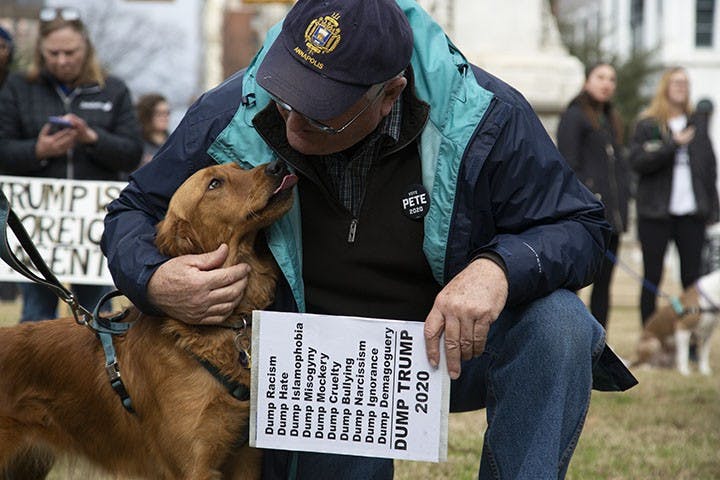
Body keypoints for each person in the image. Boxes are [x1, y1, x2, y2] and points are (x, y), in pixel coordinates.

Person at [102, 0, 636, 478]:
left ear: (390, 95)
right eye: (288, 99)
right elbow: (133, 211)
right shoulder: (234, 109)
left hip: (446, 343)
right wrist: (154, 279)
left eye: (322, 115)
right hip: (321, 366)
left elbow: (582, 226)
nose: (291, 128)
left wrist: (497, 268)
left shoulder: (488, 116)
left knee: (560, 323)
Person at [0, 7, 143, 321]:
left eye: (70, 52)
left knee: (97, 316)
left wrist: (93, 138)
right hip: (36, 227)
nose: (62, 60)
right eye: (53, 53)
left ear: (86, 49)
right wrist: (38, 150)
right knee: (36, 316)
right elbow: (4, 149)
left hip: (91, 229)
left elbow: (132, 152)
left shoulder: (113, 89)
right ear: (40, 51)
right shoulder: (18, 88)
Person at [629, 67, 719, 325]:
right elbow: (638, 161)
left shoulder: (697, 124)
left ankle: (688, 340)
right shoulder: (648, 124)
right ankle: (650, 336)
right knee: (652, 277)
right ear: (665, 86)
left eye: (685, 83)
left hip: (691, 214)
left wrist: (713, 210)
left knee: (691, 278)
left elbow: (708, 168)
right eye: (676, 82)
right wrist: (673, 145)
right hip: (655, 213)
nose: (681, 87)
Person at [557, 62, 631, 329]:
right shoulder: (574, 115)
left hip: (612, 220)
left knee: (604, 288)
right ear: (587, 80)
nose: (606, 83)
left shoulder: (611, 118)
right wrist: (588, 200)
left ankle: (601, 350)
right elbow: (567, 165)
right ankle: (570, 342)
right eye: (600, 77)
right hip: (586, 219)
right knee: (575, 287)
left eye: (611, 78)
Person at [135, 92, 171, 168]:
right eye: (159, 114)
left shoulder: (173, 143)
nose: (165, 118)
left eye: (167, 113)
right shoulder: (136, 143)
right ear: (147, 115)